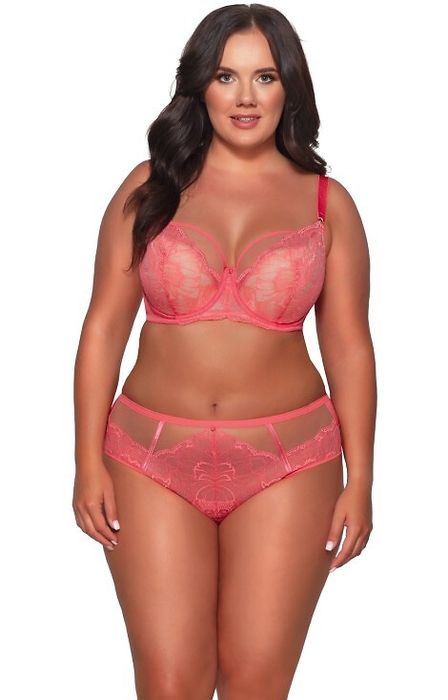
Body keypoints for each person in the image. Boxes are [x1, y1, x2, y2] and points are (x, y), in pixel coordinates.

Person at [72, 4, 376, 699]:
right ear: (200, 87)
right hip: (148, 456)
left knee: (256, 684)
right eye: (225, 76)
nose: (245, 97)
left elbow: (350, 348)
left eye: (265, 77)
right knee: (169, 684)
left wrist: (361, 478)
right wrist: (86, 460)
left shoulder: (327, 204)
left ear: (289, 87)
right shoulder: (149, 188)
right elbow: (102, 328)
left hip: (289, 460)